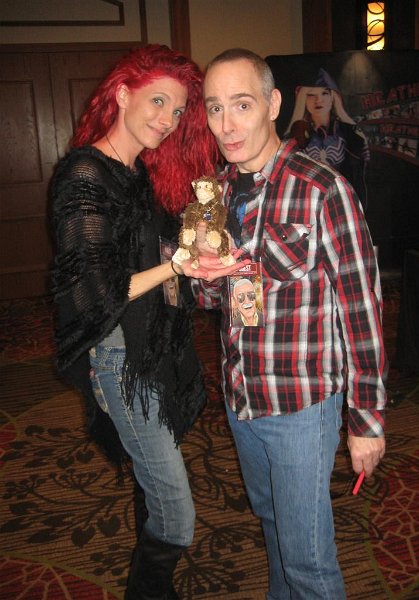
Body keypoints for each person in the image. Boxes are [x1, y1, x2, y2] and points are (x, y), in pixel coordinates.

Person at [50, 44, 243, 600]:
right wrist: (177, 265)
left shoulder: (138, 171)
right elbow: (99, 294)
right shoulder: (85, 174)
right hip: (121, 356)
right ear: (121, 93)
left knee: (151, 481)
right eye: (158, 101)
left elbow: (151, 248)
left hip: (156, 346)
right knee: (177, 513)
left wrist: (196, 244)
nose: (168, 119)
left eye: (178, 110)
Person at [194, 48, 387, 599]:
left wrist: (367, 418)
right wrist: (200, 273)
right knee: (274, 527)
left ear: (274, 104)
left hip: (302, 406)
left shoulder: (323, 189)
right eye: (214, 108)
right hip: (242, 397)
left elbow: (362, 309)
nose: (226, 125)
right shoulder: (215, 195)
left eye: (241, 105)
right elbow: (213, 299)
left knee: (307, 561)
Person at [285, 67, 370, 209]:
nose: (318, 100)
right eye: (311, 95)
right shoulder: (294, 137)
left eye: (324, 93)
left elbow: (359, 179)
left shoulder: (351, 134)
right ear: (303, 99)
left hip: (343, 205)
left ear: (333, 97)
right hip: (306, 207)